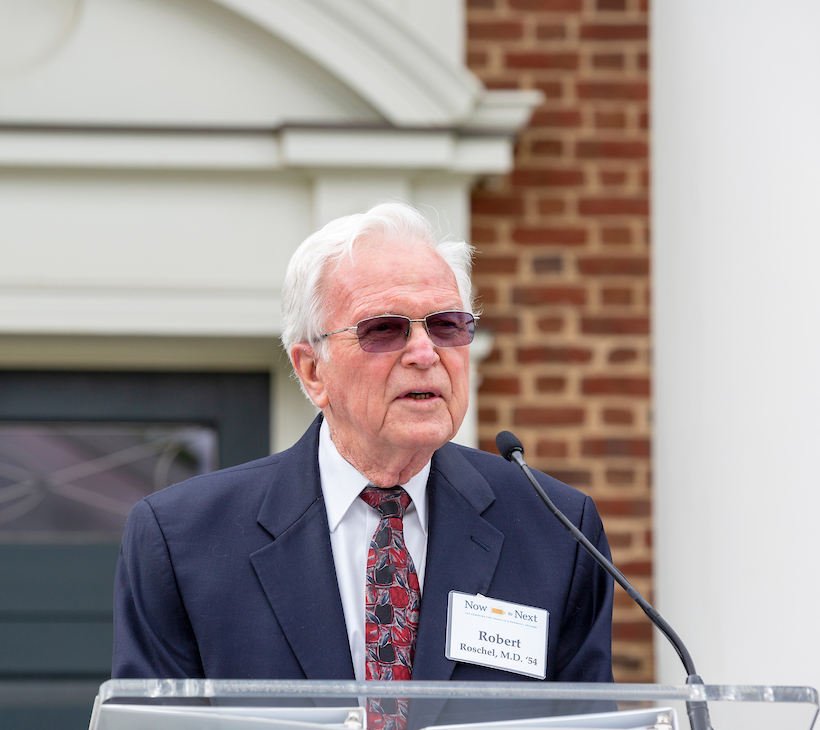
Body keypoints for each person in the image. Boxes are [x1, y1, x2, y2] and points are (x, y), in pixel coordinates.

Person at [113, 203, 614, 701]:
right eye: (384, 330)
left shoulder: (560, 532)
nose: (424, 354)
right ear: (313, 371)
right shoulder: (182, 541)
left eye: (446, 326)